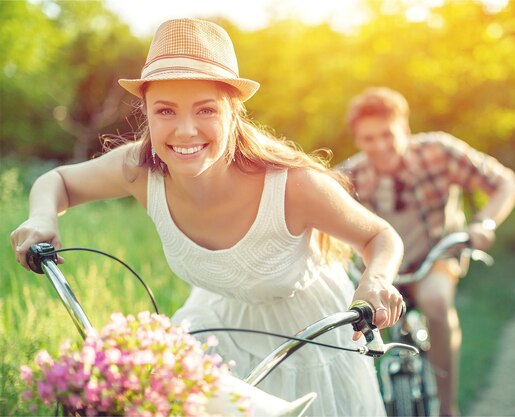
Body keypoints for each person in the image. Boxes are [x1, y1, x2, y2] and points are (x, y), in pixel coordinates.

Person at [10, 19, 405, 416]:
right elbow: (57, 180)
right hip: (217, 326)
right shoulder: (139, 170)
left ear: (234, 111)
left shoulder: (291, 185)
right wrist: (43, 219)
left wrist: (375, 280)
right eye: (165, 110)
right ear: (145, 111)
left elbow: (380, 236)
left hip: (309, 335)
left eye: (205, 110)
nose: (185, 131)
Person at [338, 86, 515, 416]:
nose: (379, 146)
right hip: (383, 269)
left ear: (405, 129)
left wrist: (484, 224)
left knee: (436, 301)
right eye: (368, 139)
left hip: (434, 257)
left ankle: (447, 406)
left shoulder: (438, 151)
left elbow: (506, 183)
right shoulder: (349, 175)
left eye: (387, 134)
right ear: (357, 140)